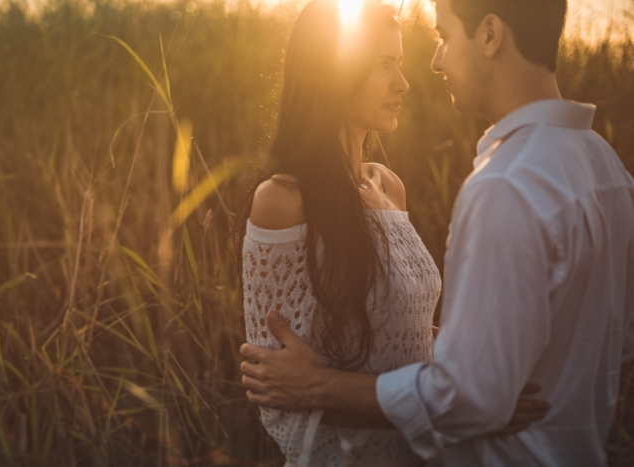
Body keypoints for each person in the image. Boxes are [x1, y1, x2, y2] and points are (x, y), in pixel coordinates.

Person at [240, 0, 634, 465]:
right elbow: (276, 381)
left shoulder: (504, 183)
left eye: (443, 36)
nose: (421, 71)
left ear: (490, 35)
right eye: (385, 64)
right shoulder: (609, 171)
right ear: (333, 71)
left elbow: (467, 400)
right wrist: (475, 371)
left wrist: (479, 392)